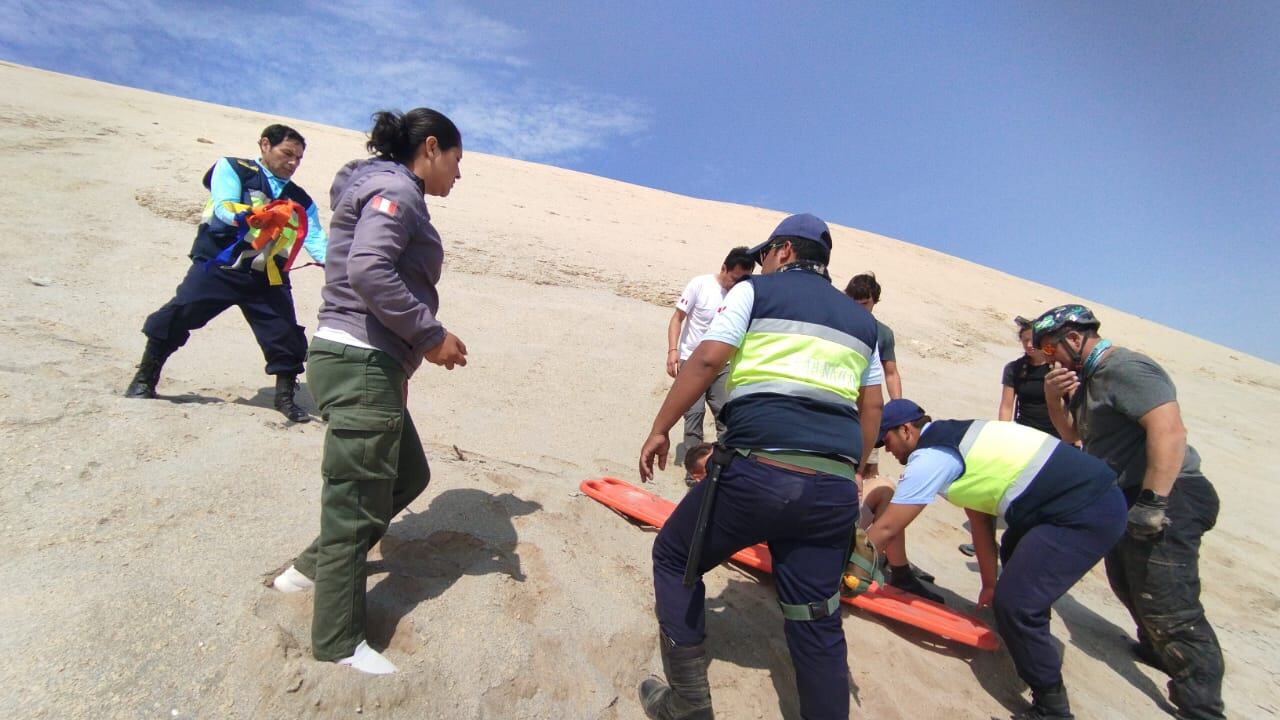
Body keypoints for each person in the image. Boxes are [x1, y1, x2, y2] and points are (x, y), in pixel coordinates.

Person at [638, 213, 883, 720]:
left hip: (760, 473)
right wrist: (853, 472)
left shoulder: (756, 292)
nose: (761, 263)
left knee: (674, 556)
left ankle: (686, 704)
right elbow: (872, 406)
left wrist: (661, 427)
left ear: (785, 252)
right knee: (815, 614)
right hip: (833, 489)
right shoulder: (865, 323)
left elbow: (707, 359)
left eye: (766, 253)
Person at [270, 108, 468, 675]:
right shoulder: (395, 192)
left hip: (369, 364)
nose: (458, 174)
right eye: (456, 161)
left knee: (409, 476)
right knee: (354, 509)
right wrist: (431, 336)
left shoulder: (385, 187)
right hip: (359, 359)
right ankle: (337, 642)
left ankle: (306, 569)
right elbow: (369, 269)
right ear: (431, 148)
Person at [871, 399, 1126, 720]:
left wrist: (842, 569)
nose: (888, 449)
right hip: (1067, 502)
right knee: (1013, 551)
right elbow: (980, 520)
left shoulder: (932, 456)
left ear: (906, 429)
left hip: (1087, 509)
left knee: (1018, 603)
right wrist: (990, 585)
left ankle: (1052, 709)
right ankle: (1026, 632)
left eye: (888, 440)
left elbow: (889, 525)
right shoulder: (957, 441)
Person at [1035, 305, 1225, 719]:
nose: (1048, 356)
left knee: (1171, 607)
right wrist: (1053, 397)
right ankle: (1157, 651)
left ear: (1074, 337)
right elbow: (1072, 435)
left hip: (1172, 493)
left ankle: (1202, 707)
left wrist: (1153, 503)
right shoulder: (1088, 380)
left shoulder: (1126, 367)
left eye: (1051, 346)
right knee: (1125, 577)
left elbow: (1169, 432)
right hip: (1127, 494)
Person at [125, 124, 329, 422]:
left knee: (284, 333)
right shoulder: (233, 168)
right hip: (220, 265)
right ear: (264, 145)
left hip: (267, 274)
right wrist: (247, 217)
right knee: (181, 312)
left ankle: (285, 399)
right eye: (287, 154)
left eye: (298, 158)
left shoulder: (301, 198)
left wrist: (339, 266)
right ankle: (145, 378)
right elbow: (223, 205)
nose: (292, 163)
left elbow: (315, 239)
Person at [667, 247, 756, 484]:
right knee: (693, 415)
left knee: (726, 417)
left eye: (743, 280)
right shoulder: (700, 284)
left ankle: (721, 470)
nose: (736, 284)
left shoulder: (744, 296)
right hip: (691, 361)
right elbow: (677, 318)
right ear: (724, 268)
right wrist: (673, 351)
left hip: (723, 366)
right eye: (734, 278)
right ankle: (693, 473)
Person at [1000, 316, 1059, 437]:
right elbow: (1006, 406)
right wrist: (1002, 434)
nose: (1028, 344)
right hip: (1024, 434)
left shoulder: (1059, 366)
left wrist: (1076, 442)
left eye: (1032, 340)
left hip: (1057, 436)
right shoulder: (1014, 368)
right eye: (1025, 340)